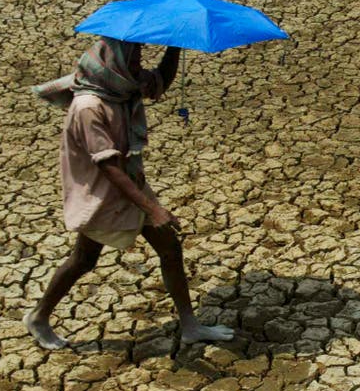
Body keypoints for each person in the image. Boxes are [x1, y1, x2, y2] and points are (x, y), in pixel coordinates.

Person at [25, 36, 233, 350]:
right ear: (116, 62)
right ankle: (39, 317)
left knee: (170, 249)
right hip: (103, 195)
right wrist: (152, 208)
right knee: (83, 260)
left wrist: (174, 45)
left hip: (130, 185)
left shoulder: (121, 86)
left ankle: (190, 325)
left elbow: (160, 81)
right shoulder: (88, 107)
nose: (138, 65)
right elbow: (108, 167)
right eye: (133, 59)